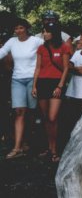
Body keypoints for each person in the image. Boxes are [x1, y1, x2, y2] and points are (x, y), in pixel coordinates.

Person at [0, 18, 43, 159]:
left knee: (31, 112)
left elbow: (49, 50)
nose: (18, 31)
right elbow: (2, 52)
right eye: (16, 28)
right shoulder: (12, 42)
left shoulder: (35, 41)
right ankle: (17, 147)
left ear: (26, 28)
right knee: (19, 111)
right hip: (17, 80)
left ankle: (29, 142)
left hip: (33, 79)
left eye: (21, 28)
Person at [32, 22, 71, 162]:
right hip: (42, 83)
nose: (44, 34)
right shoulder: (41, 48)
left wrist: (60, 86)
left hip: (56, 84)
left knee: (53, 117)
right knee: (46, 119)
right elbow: (37, 68)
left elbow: (66, 68)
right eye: (43, 31)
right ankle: (49, 148)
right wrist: (34, 86)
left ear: (53, 33)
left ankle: (54, 150)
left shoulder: (64, 47)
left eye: (47, 31)